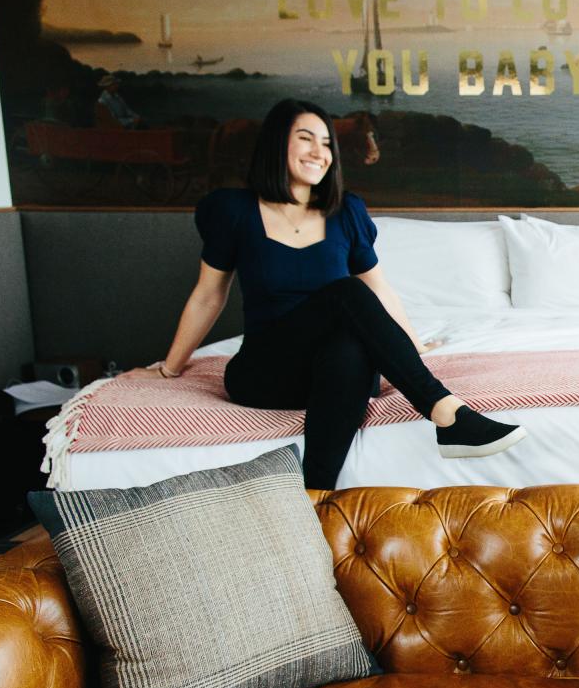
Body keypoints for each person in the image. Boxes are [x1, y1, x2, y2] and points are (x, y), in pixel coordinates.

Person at [127, 98, 526, 490]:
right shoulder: (233, 210)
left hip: (334, 373)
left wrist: (411, 349)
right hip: (266, 372)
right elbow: (208, 295)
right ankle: (445, 412)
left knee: (350, 348)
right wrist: (170, 367)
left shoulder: (346, 213)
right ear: (277, 143)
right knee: (345, 292)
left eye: (327, 143)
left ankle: (315, 494)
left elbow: (379, 289)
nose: (320, 152)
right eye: (306, 138)